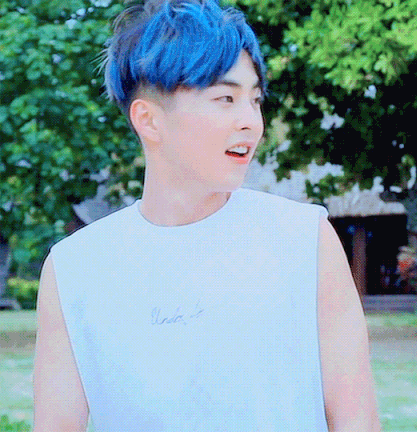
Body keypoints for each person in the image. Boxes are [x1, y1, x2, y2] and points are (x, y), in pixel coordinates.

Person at [33, 0, 381, 430]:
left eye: (255, 99)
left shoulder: (305, 239)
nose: (251, 122)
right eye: (225, 98)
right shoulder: (74, 268)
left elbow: (356, 419)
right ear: (149, 120)